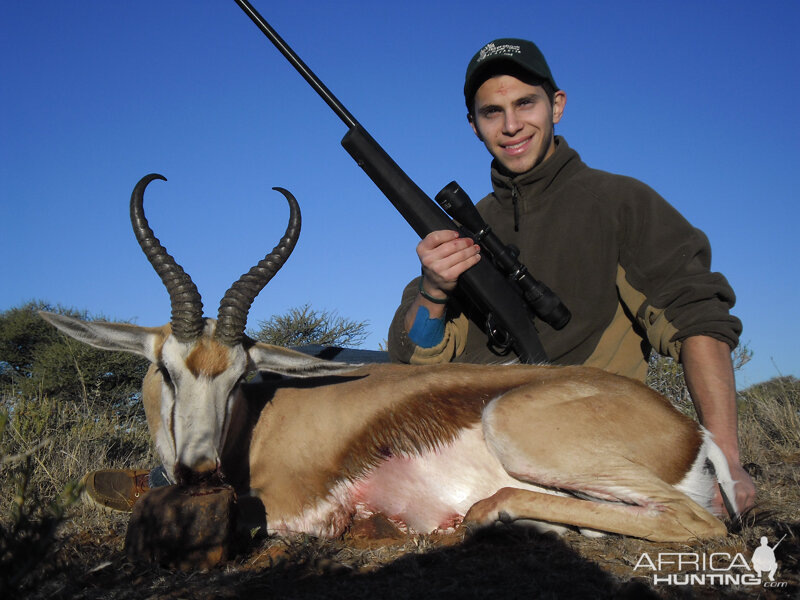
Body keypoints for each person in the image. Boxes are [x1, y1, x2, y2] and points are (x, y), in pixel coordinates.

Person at [387, 38, 755, 514]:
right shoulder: (462, 235)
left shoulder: (621, 202)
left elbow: (697, 318)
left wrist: (725, 460)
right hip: (472, 444)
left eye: (525, 103)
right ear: (473, 125)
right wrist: (434, 291)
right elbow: (413, 357)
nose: (511, 124)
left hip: (585, 439)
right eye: (492, 112)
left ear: (556, 105)